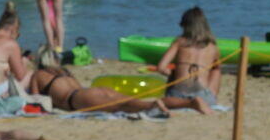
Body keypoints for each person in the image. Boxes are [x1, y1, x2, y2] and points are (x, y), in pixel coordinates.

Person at [29, 48, 211, 115]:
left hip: (78, 99)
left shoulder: (38, 75)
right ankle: (189, 103)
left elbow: (35, 100)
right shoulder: (64, 71)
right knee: (132, 102)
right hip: (91, 91)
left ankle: (156, 105)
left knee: (130, 106)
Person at [156, 6, 221, 107]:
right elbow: (216, 70)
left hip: (178, 95)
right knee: (216, 69)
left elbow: (161, 67)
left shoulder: (179, 42)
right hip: (203, 96)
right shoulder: (213, 47)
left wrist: (174, 73)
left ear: (186, 26)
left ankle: (188, 102)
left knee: (175, 73)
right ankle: (212, 98)